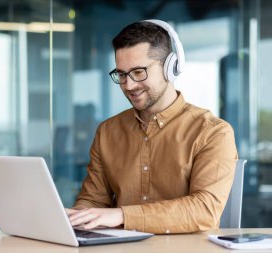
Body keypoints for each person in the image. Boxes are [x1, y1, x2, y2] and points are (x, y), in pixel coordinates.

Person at [66, 20, 238, 234]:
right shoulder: (107, 132)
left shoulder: (213, 132)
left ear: (170, 67)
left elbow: (204, 210)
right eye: (121, 74)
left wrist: (122, 215)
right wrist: (76, 217)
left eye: (138, 72)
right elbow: (93, 201)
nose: (129, 85)